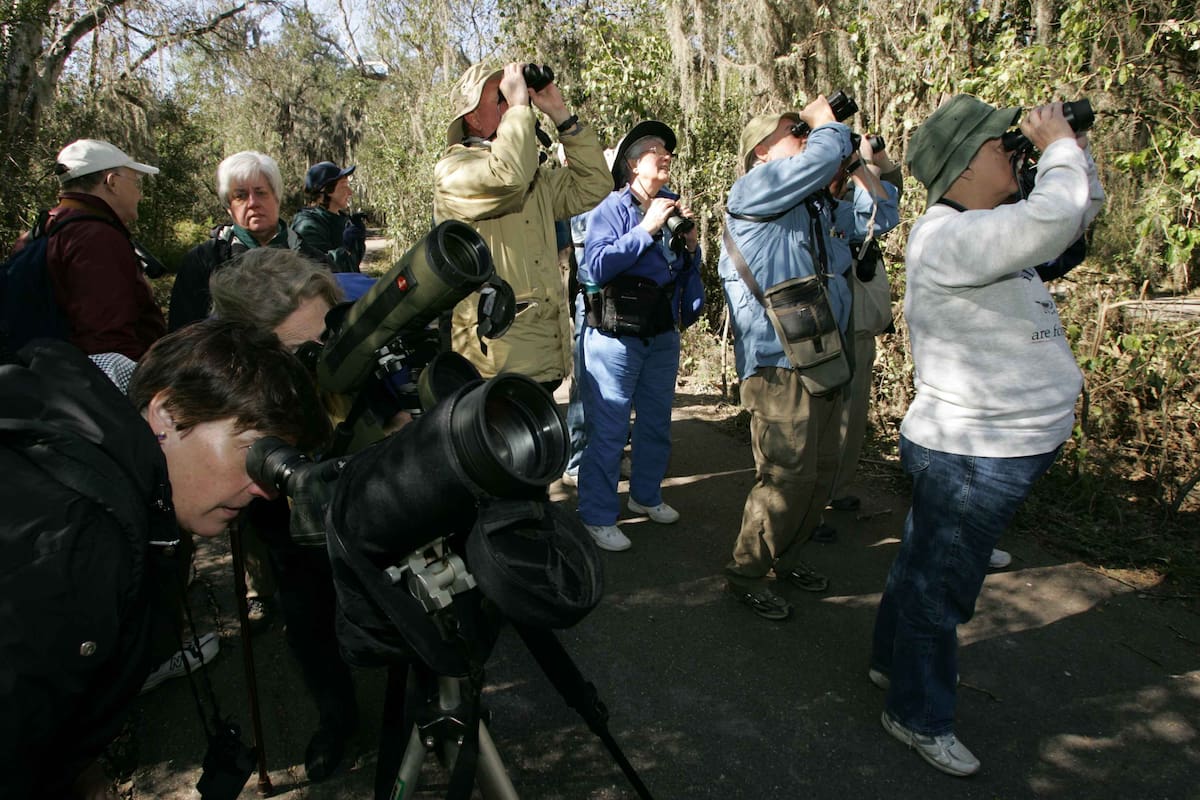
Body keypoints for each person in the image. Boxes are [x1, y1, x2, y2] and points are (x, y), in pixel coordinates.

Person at [869, 96, 1104, 777]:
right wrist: (1058, 149)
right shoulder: (947, 236)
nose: (1016, 152)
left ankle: (892, 664)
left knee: (921, 567)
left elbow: (1072, 214)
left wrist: (1070, 149)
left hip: (987, 446)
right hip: (976, 452)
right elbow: (1054, 212)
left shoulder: (991, 225)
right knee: (940, 589)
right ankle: (916, 714)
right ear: (965, 163)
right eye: (1002, 146)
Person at [0, 319, 329, 799]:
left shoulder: (96, 470)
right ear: (169, 413)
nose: (263, 488)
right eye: (252, 452)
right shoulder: (78, 541)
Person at [717, 99, 854, 620]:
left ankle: (786, 557)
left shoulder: (809, 206)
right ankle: (746, 572)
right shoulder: (753, 188)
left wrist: (866, 166)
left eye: (804, 129)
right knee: (786, 476)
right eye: (792, 131)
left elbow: (872, 220)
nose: (803, 135)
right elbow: (818, 160)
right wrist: (827, 128)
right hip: (777, 364)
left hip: (820, 355)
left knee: (821, 471)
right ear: (761, 150)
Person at [433, 62, 611, 390]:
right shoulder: (453, 172)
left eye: (510, 97)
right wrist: (518, 108)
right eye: (499, 98)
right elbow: (508, 178)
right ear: (472, 117)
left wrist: (560, 114)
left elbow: (596, 185)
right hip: (493, 364)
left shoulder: (535, 179)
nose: (511, 103)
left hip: (542, 357)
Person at [576, 121, 703, 552]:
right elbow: (594, 267)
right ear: (632, 165)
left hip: (660, 333)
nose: (665, 155)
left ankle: (645, 494)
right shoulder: (609, 208)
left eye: (667, 151)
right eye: (654, 151)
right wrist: (645, 229)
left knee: (655, 423)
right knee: (610, 429)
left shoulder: (670, 206)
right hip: (615, 337)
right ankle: (597, 514)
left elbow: (681, 271)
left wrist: (690, 246)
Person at [817, 135, 903, 541]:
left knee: (853, 409)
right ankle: (809, 501)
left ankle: (836, 487)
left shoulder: (854, 188)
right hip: (822, 319)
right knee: (819, 416)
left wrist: (874, 159)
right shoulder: (812, 198)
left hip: (858, 318)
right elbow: (879, 215)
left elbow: (888, 199)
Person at [30, 138, 166, 358]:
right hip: (94, 385)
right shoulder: (96, 238)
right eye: (135, 182)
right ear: (112, 182)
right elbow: (108, 343)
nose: (140, 194)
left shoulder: (45, 228)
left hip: (50, 377)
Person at [168, 150, 330, 330]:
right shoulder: (203, 262)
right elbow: (183, 336)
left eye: (261, 193)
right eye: (241, 196)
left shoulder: (313, 260)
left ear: (277, 198)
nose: (253, 202)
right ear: (229, 206)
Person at [292, 161, 366, 273]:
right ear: (326, 191)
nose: (350, 192)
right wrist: (345, 248)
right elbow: (323, 271)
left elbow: (352, 264)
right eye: (343, 186)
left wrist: (358, 241)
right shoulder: (307, 225)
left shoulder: (342, 219)